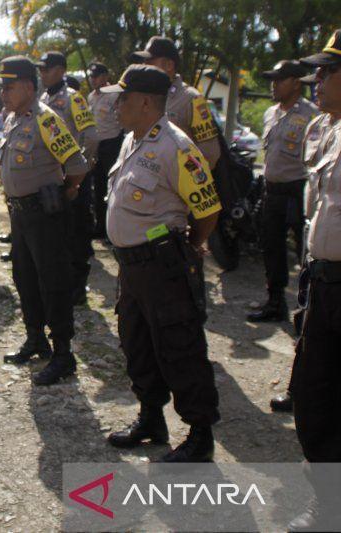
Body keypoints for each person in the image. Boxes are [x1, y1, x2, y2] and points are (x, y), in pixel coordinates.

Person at [103, 65, 221, 462]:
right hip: (133, 266)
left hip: (163, 265)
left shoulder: (178, 147)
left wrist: (188, 246)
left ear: (145, 101)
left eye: (122, 97)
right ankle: (151, 418)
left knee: (179, 345)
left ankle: (200, 434)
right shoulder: (131, 140)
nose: (117, 104)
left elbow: (207, 210)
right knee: (137, 343)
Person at [0, 56, 89, 386]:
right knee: (25, 278)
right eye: (1, 87)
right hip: (19, 215)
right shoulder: (11, 119)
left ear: (29, 88)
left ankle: (64, 354)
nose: (3, 93)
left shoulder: (46, 120)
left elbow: (76, 165)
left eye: (9, 87)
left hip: (44, 216)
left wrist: (66, 192)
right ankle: (36, 339)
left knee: (54, 283)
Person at [286, 30, 341, 531]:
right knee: (314, 394)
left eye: (327, 71)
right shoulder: (326, 127)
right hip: (323, 281)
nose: (315, 79)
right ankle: (330, 504)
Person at [247, 60, 318, 326]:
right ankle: (275, 302)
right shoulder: (270, 113)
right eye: (272, 79)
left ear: (296, 83)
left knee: (303, 250)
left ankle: (310, 307)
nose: (273, 85)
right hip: (272, 189)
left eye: (280, 79)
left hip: (297, 191)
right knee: (272, 248)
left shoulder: (312, 115)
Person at [37, 51, 99, 305]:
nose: (43, 74)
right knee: (54, 234)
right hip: (49, 178)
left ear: (61, 70)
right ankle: (59, 284)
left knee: (76, 233)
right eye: (41, 70)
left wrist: (78, 172)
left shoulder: (74, 99)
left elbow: (91, 136)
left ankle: (77, 289)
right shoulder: (41, 98)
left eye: (47, 69)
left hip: (72, 177)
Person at [132, 36, 221, 169]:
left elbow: (210, 155)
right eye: (144, 61)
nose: (144, 66)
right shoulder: (147, 96)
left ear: (169, 65)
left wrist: (177, 176)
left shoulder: (191, 99)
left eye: (150, 61)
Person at [87, 62, 124, 238]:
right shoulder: (91, 97)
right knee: (99, 188)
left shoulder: (115, 94)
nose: (93, 80)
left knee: (113, 188)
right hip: (97, 146)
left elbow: (122, 120)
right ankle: (101, 226)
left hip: (112, 144)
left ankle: (114, 229)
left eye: (96, 76)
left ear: (105, 76)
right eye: (91, 76)